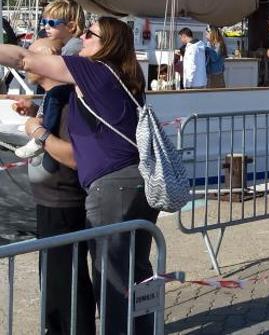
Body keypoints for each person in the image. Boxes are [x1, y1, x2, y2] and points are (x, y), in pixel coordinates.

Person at [0, 17, 159, 333]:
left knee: (113, 277)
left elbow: (23, 58)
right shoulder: (126, 76)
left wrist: (39, 132)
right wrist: (37, 115)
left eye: (89, 34)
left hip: (112, 187)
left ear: (106, 44)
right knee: (137, 272)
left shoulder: (96, 70)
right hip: (137, 182)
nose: (81, 39)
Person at [15, 38, 95, 335]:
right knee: (53, 277)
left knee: (67, 278)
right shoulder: (53, 98)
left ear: (48, 61)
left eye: (32, 53)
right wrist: (35, 111)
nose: (25, 59)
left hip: (64, 201)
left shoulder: (67, 103)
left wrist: (37, 132)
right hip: (50, 200)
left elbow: (74, 156)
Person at [15, 0, 88, 158]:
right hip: (74, 88)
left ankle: (42, 135)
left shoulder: (73, 46)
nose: (45, 26)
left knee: (54, 94)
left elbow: (62, 72)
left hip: (74, 89)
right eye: (44, 21)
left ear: (70, 27)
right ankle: (41, 121)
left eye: (52, 22)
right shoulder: (69, 45)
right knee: (51, 94)